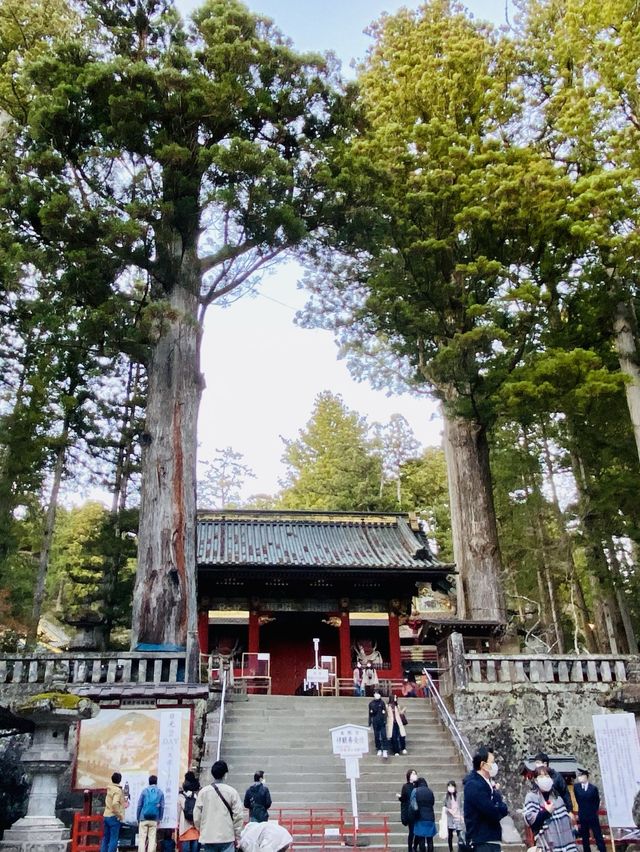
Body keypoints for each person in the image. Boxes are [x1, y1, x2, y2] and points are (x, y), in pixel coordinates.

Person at [463, 747, 508, 852]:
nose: (494, 765)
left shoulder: (486, 783)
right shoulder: (474, 785)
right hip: (482, 840)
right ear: (483, 765)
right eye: (492, 762)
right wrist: (501, 806)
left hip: (489, 839)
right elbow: (492, 811)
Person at [524, 765, 578, 852]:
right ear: (536, 780)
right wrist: (546, 812)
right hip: (546, 845)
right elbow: (532, 822)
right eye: (541, 776)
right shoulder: (532, 797)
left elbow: (567, 823)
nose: (545, 778)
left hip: (566, 845)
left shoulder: (557, 798)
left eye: (547, 776)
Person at [193, 759, 244, 852]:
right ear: (225, 774)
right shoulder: (232, 792)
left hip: (209, 836)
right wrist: (237, 835)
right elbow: (238, 815)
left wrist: (202, 829)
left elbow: (196, 815)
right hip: (227, 836)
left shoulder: (203, 792)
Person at [533, 753, 574, 819]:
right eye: (535, 763)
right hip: (544, 810)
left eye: (538, 763)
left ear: (545, 764)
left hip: (558, 809)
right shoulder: (537, 778)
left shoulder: (557, 777)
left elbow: (565, 794)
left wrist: (569, 811)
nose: (536, 765)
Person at [573, 770, 606, 852]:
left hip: (592, 815)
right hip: (582, 814)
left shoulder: (593, 788)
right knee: (585, 837)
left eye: (582, 775)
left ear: (586, 776)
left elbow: (596, 801)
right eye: (579, 776)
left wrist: (593, 811)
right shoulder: (576, 787)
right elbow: (577, 799)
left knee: (598, 835)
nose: (580, 777)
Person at [137, 775, 165, 852]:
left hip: (143, 818)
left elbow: (139, 805)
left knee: (142, 839)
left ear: (149, 782)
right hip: (154, 819)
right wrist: (160, 818)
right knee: (152, 839)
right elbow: (162, 807)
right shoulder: (160, 792)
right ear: (156, 782)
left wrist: (138, 817)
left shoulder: (144, 791)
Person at [100, 771, 126, 852]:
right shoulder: (117, 790)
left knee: (105, 838)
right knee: (113, 839)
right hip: (113, 816)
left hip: (106, 815)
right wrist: (120, 815)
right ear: (120, 780)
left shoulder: (109, 789)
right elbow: (115, 804)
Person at [410, 777, 436, 852]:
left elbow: (413, 804)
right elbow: (432, 802)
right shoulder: (430, 791)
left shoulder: (415, 791)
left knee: (421, 840)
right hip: (430, 818)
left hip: (420, 818)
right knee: (430, 840)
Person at [178, 771, 201, 852]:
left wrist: (177, 823)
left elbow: (178, 812)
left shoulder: (181, 797)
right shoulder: (197, 796)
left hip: (185, 829)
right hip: (196, 829)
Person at [398, 768, 418, 852]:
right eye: (412, 774)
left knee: (418, 832)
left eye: (415, 773)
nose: (414, 775)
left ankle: (415, 847)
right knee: (412, 832)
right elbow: (404, 799)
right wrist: (400, 797)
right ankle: (410, 848)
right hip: (410, 812)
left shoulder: (418, 785)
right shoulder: (405, 786)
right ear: (409, 776)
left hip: (417, 811)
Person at [444, 780, 464, 852]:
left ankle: (460, 848)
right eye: (449, 786)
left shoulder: (459, 795)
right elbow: (444, 807)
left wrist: (461, 816)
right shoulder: (446, 797)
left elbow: (461, 806)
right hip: (450, 818)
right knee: (450, 835)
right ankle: (451, 849)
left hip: (458, 817)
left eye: (452, 786)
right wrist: (447, 810)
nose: (450, 788)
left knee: (460, 835)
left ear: (455, 787)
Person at [368, 689, 388, 759]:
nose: (376, 695)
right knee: (376, 736)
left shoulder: (382, 703)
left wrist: (385, 720)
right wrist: (369, 723)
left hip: (382, 722)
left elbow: (385, 712)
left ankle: (385, 749)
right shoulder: (371, 703)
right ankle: (379, 749)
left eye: (378, 693)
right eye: (375, 693)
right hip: (375, 722)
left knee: (384, 735)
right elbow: (370, 714)